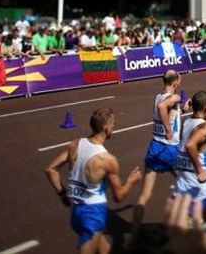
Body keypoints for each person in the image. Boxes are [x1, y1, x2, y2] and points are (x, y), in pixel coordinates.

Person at [44, 107, 142, 254]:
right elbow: (119, 196)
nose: (114, 128)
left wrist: (63, 194)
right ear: (107, 129)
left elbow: (50, 170)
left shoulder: (75, 145)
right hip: (94, 214)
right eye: (113, 125)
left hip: (76, 214)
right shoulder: (107, 160)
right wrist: (131, 181)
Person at [131, 70, 189, 236]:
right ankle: (186, 225)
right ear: (175, 83)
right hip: (170, 149)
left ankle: (133, 236)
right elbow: (162, 107)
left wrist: (183, 110)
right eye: (179, 80)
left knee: (145, 195)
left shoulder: (158, 95)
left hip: (154, 147)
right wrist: (169, 129)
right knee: (188, 184)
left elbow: (168, 111)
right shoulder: (174, 97)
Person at [174, 91, 206, 221]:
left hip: (182, 181)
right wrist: (200, 171)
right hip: (199, 186)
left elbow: (193, 140)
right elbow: (190, 145)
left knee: (189, 226)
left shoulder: (186, 121)